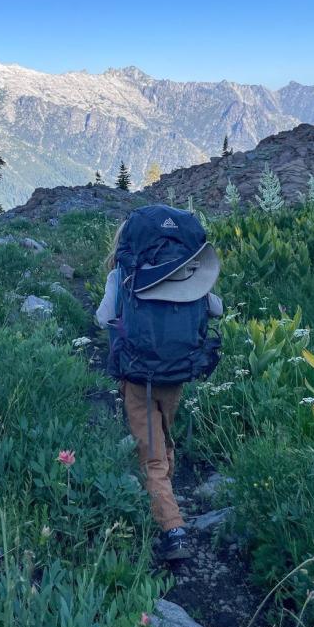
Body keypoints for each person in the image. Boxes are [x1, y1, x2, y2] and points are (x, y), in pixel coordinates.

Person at [96, 205, 223, 560]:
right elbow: (217, 309)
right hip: (177, 372)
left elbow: (104, 316)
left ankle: (173, 528)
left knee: (150, 453)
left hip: (137, 376)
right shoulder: (188, 273)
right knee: (163, 434)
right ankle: (165, 484)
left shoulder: (121, 276)